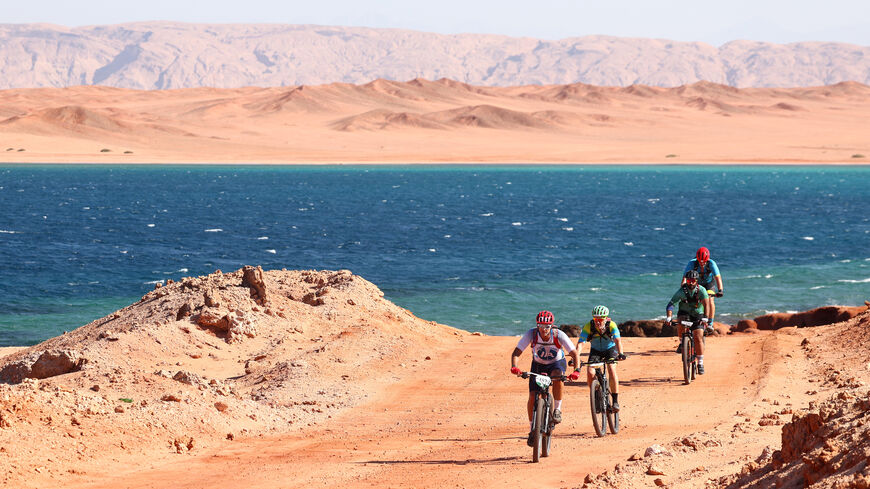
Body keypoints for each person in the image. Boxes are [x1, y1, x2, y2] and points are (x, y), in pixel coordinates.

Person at [510, 310, 581, 447]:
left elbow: (574, 354)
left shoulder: (559, 335)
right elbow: (516, 352)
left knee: (558, 377)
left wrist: (576, 371)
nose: (544, 330)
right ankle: (532, 429)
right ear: (537, 325)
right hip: (538, 365)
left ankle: (557, 409)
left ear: (552, 326)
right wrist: (514, 367)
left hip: (556, 363)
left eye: (547, 326)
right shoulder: (532, 334)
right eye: (541, 326)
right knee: (532, 396)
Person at [576, 305, 627, 413]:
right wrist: (576, 356)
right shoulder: (589, 326)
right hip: (596, 351)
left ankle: (615, 401)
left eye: (600, 319)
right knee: (590, 373)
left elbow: (618, 341)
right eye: (595, 319)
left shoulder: (611, 325)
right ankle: (596, 397)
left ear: (605, 318)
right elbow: (581, 343)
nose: (598, 322)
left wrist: (621, 353)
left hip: (610, 349)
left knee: (611, 369)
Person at [667, 269, 711, 374]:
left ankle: (700, 362)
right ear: (686, 280)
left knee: (698, 336)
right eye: (689, 280)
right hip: (684, 313)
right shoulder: (681, 291)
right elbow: (671, 304)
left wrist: (705, 317)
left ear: (697, 280)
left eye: (693, 280)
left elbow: (706, 305)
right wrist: (669, 317)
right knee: (680, 322)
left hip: (698, 314)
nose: (691, 282)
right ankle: (682, 342)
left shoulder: (702, 290)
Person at [683, 246, 724, 326]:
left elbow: (718, 278)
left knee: (710, 300)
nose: (702, 264)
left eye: (704, 262)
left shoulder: (711, 263)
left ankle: (710, 323)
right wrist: (683, 289)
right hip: (697, 284)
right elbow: (684, 278)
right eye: (700, 262)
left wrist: (720, 290)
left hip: (709, 284)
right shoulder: (692, 263)